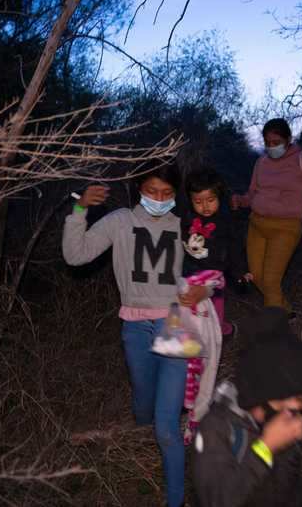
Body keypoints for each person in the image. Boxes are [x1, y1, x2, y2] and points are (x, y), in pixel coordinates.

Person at [62, 164, 206, 507]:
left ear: (176, 195)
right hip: (134, 326)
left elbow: (211, 265)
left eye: (167, 193)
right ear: (138, 188)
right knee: (143, 404)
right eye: (152, 191)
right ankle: (141, 448)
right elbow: (75, 254)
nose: (159, 199)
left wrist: (204, 287)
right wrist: (80, 209)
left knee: (167, 424)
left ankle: (176, 500)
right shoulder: (119, 221)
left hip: (174, 324)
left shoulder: (183, 226)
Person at [191, 307, 302, 507]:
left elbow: (292, 493)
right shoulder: (215, 429)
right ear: (262, 392)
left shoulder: (281, 423)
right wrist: (265, 448)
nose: (295, 410)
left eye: (301, 403)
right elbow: (216, 501)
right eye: (288, 399)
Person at [181, 168, 252, 444]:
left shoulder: (226, 222)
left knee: (213, 336)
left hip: (214, 284)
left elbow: (235, 250)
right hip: (187, 282)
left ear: (219, 198)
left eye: (210, 200)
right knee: (192, 339)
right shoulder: (185, 219)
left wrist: (240, 271)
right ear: (190, 200)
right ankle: (188, 395)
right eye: (198, 201)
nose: (204, 206)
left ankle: (199, 408)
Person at [230, 118, 302, 312]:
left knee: (271, 280)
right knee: (258, 277)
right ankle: (286, 311)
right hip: (256, 225)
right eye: (267, 143)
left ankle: (275, 329)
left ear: (289, 139)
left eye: (276, 143)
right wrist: (241, 201)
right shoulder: (261, 162)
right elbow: (252, 193)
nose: (271, 147)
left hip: (286, 227)